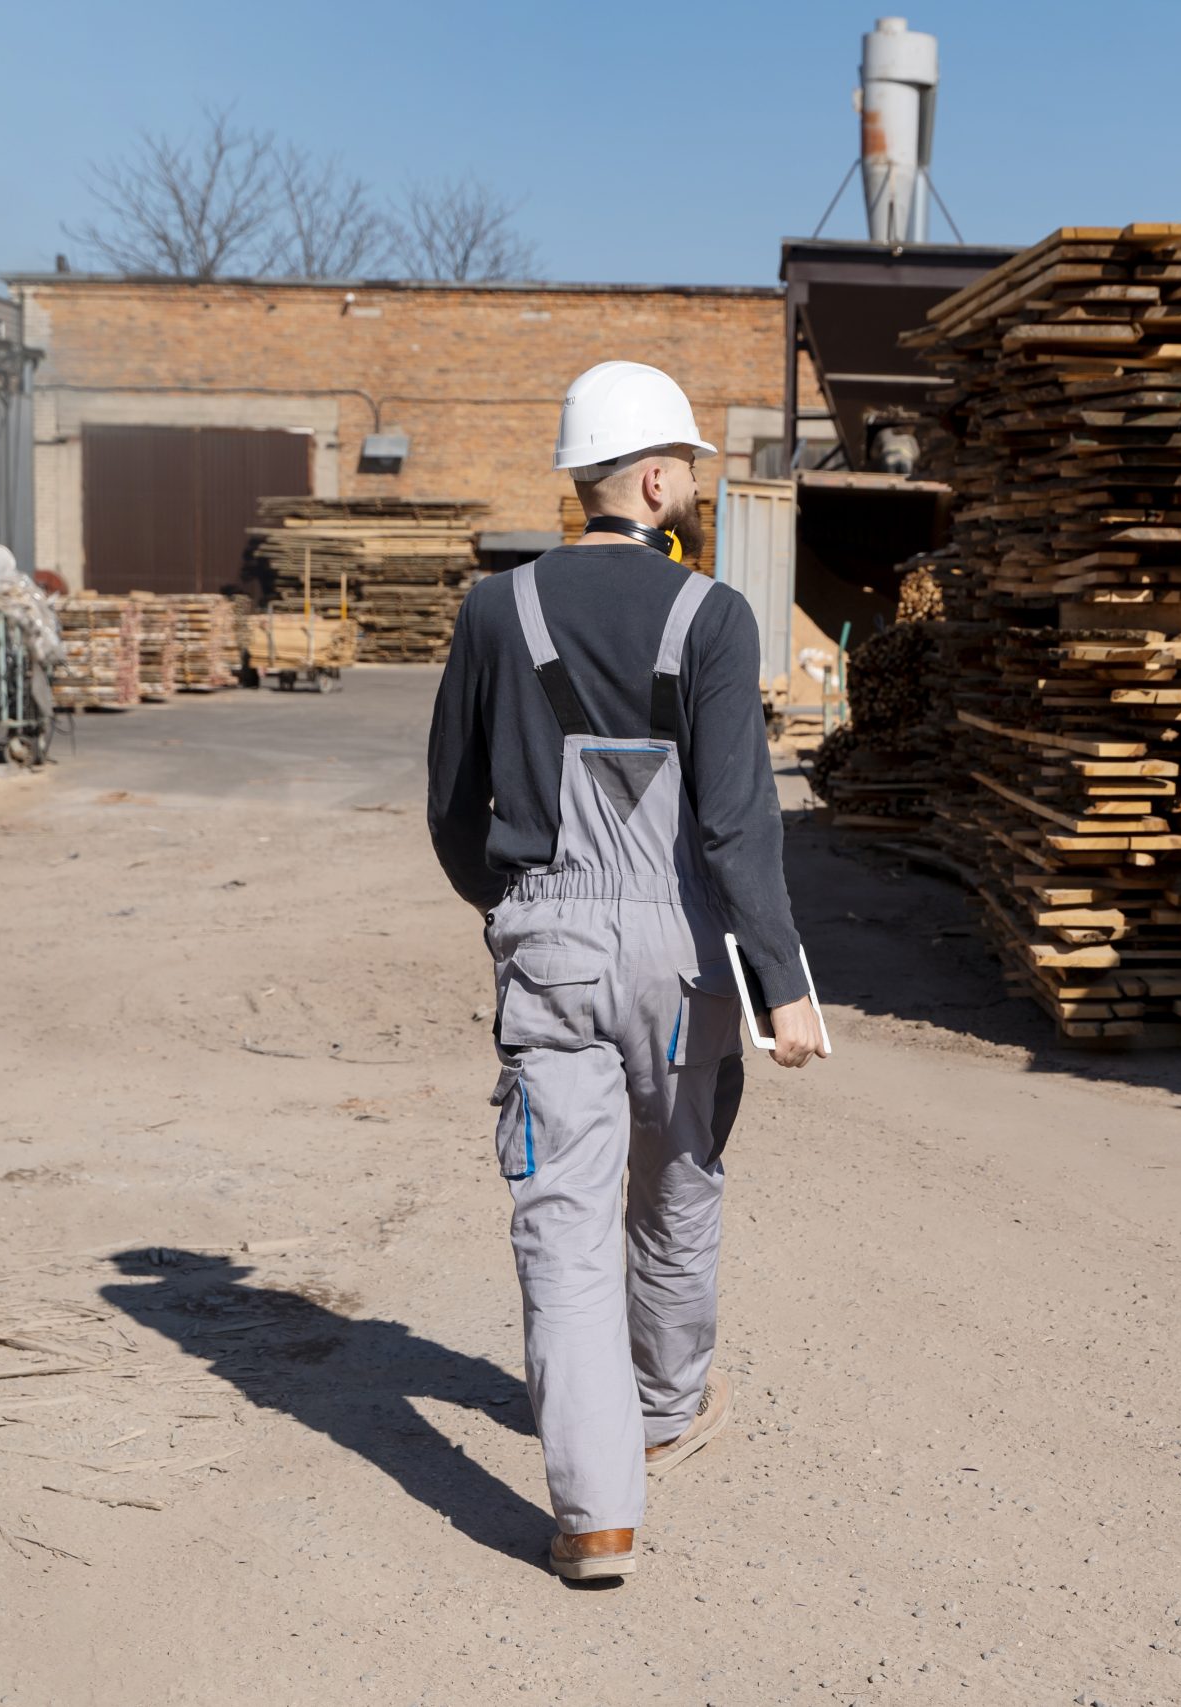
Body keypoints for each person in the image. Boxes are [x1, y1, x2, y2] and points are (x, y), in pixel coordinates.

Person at [427, 359, 827, 1581]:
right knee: (677, 1182)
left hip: (547, 942)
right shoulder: (713, 616)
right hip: (678, 954)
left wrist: (518, 909)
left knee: (559, 1215)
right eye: (688, 470)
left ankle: (596, 1516)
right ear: (655, 480)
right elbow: (737, 823)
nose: (692, 488)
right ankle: (663, 1408)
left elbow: (451, 805)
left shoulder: (494, 611)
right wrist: (783, 981)